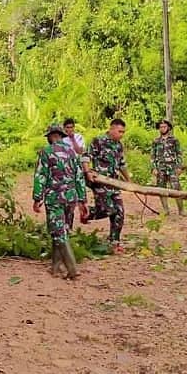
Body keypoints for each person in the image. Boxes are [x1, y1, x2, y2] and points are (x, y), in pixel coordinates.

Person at [33, 124, 87, 279]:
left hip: (54, 197)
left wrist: (37, 198)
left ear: (52, 136)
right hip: (70, 197)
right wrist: (82, 200)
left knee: (58, 233)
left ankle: (72, 268)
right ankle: (55, 267)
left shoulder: (47, 152)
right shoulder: (72, 152)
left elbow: (40, 176)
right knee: (62, 231)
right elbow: (79, 177)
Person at [83, 119, 131, 254]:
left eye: (123, 132)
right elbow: (86, 157)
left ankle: (114, 242)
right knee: (108, 209)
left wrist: (129, 181)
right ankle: (88, 214)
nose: (121, 134)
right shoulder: (98, 141)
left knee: (119, 212)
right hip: (100, 182)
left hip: (114, 183)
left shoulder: (119, 146)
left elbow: (122, 164)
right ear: (111, 129)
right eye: (119, 131)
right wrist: (87, 172)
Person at [150, 120, 184, 216]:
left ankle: (181, 210)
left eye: (164, 126)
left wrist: (179, 166)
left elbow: (179, 154)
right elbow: (153, 155)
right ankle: (166, 210)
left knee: (176, 188)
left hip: (172, 167)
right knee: (161, 189)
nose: (163, 128)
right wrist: (153, 168)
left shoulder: (174, 140)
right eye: (161, 127)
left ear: (168, 128)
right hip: (160, 167)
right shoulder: (156, 141)